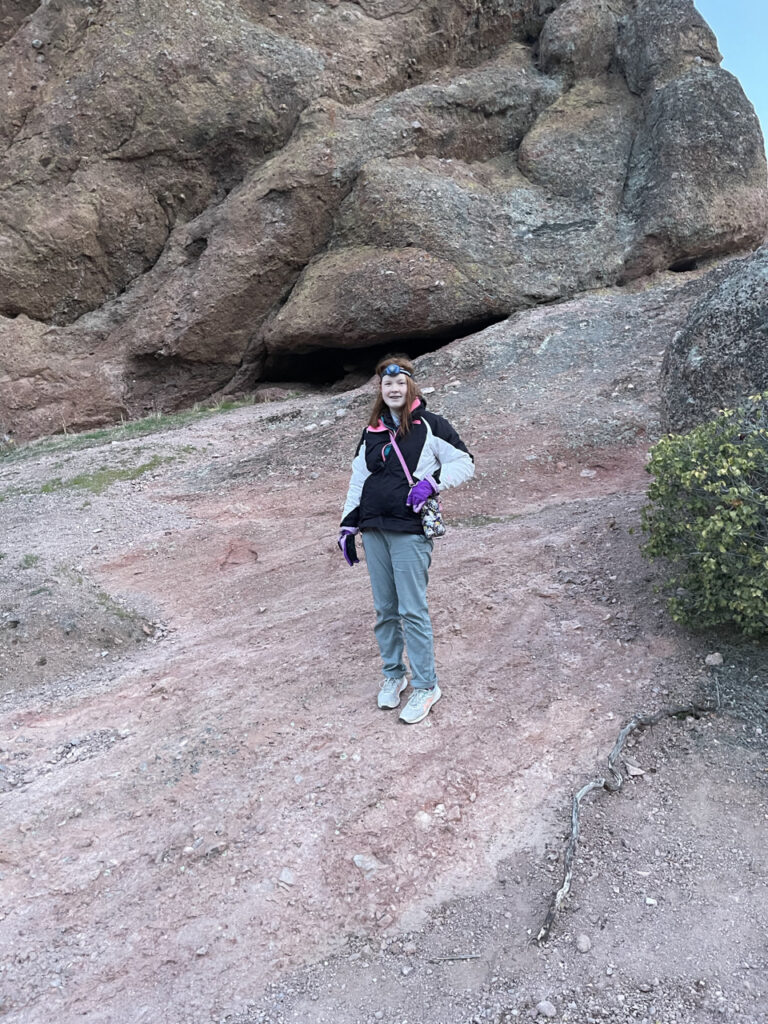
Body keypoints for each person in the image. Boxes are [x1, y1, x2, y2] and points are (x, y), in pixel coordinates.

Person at [338, 356, 475, 724]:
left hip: (409, 530)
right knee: (384, 609)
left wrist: (432, 482)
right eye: (387, 384)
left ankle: (426, 686)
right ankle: (393, 676)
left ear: (409, 386)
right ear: (381, 390)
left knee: (411, 610)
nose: (394, 389)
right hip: (375, 528)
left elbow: (465, 462)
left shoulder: (431, 426)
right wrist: (348, 524)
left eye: (400, 384)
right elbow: (359, 478)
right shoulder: (372, 430)